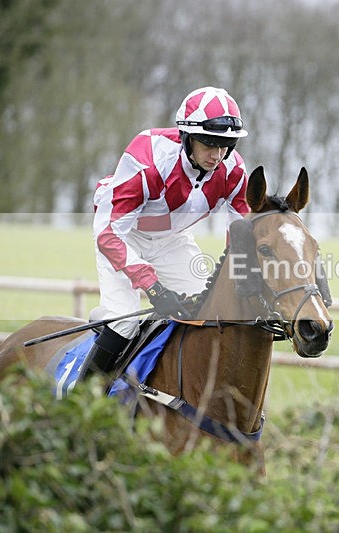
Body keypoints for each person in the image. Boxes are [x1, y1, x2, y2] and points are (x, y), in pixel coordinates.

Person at [84, 86, 250, 379]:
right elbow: (108, 234)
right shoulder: (149, 157)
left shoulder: (233, 171)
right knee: (124, 323)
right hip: (124, 237)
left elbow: (240, 235)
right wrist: (154, 288)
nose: (217, 155)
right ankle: (83, 394)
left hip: (172, 241)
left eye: (225, 145)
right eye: (209, 144)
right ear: (187, 136)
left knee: (210, 312)